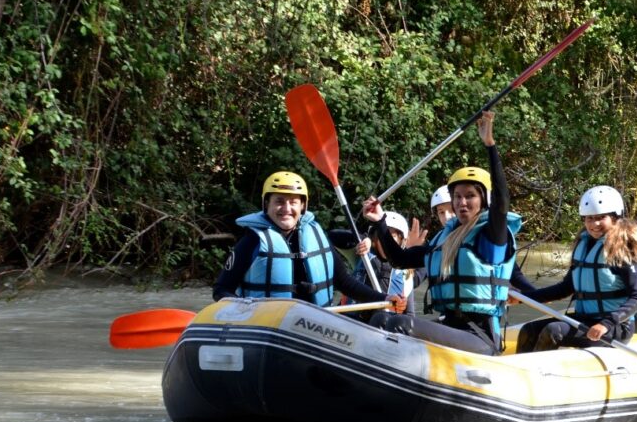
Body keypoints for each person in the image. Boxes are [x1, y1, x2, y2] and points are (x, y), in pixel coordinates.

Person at [361, 111, 521, 355]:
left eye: (470, 196)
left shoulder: (491, 235)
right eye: (457, 196)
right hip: (449, 324)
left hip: (480, 336)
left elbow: (502, 200)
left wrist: (490, 145)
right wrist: (380, 222)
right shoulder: (443, 238)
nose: (462, 202)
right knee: (380, 321)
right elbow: (399, 260)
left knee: (400, 324)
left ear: (484, 199)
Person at [212, 170, 406, 312]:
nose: (286, 208)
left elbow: (344, 282)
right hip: (267, 326)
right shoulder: (253, 240)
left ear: (303, 206)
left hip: (313, 325)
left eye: (293, 202)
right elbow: (221, 290)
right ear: (266, 205)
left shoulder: (315, 235)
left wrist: (385, 298)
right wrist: (244, 310)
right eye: (279, 201)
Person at [512, 186, 637, 352]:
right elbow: (565, 288)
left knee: (553, 331)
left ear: (616, 218)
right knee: (528, 330)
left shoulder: (623, 250)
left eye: (601, 217)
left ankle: (539, 375)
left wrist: (606, 323)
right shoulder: (585, 244)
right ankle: (522, 373)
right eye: (589, 218)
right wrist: (524, 298)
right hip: (585, 320)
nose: (594, 224)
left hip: (615, 327)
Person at [335, 211, 427, 319]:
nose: (384, 243)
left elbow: (410, 314)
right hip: (350, 317)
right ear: (375, 239)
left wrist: (411, 252)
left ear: (402, 241)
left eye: (391, 237)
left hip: (383, 324)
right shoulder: (362, 254)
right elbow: (334, 236)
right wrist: (366, 238)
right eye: (380, 237)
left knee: (383, 318)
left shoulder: (407, 271)